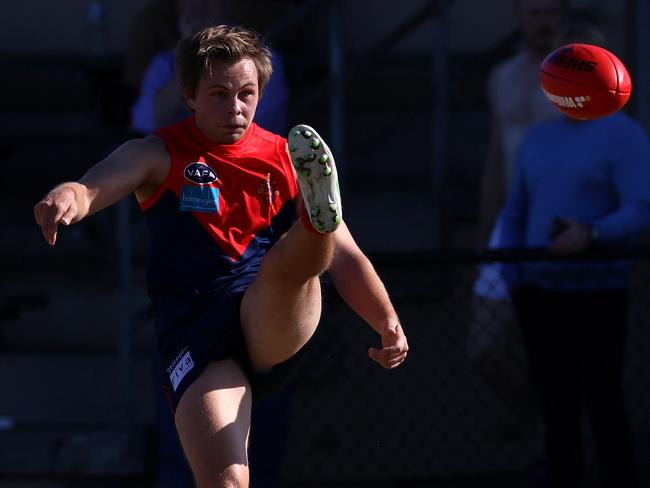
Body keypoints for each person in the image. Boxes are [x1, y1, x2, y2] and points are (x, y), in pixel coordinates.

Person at [34, 25, 409, 487]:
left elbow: (347, 256)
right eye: (219, 94)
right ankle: (312, 224)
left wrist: (386, 319)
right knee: (227, 481)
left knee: (287, 266)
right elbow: (97, 184)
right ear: (189, 95)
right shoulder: (158, 152)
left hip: (272, 313)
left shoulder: (286, 158)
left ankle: (315, 219)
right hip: (197, 332)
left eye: (247, 94)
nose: (235, 107)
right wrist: (66, 197)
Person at [498, 22, 650, 486]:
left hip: (597, 291)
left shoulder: (625, 135)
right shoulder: (539, 140)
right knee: (554, 404)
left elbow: (642, 208)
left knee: (603, 402)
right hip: (539, 291)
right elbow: (517, 210)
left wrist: (593, 233)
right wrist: (511, 272)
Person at [468, 0, 568, 441]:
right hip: (511, 227)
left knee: (555, 346)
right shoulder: (503, 77)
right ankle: (542, 417)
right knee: (483, 347)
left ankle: (557, 430)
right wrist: (485, 233)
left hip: (562, 229)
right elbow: (495, 157)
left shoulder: (580, 76)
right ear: (518, 16)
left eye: (550, 11)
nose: (542, 21)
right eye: (534, 12)